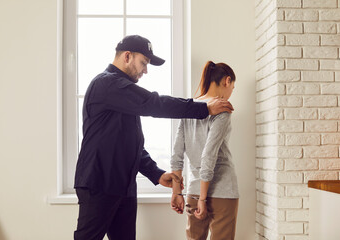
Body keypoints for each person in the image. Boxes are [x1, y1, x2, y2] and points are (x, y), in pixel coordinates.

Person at [73, 35, 234, 240]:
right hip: (99, 183)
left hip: (124, 186)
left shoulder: (121, 93)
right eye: (144, 63)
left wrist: (156, 174)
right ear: (127, 56)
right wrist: (203, 108)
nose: (145, 70)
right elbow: (153, 103)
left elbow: (131, 144)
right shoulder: (107, 85)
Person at [170, 61, 239, 240]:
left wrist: (176, 192)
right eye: (233, 86)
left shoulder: (189, 107)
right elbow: (209, 156)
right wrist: (203, 199)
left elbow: (177, 154)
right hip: (222, 191)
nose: (231, 91)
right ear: (227, 80)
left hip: (193, 189)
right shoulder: (222, 109)